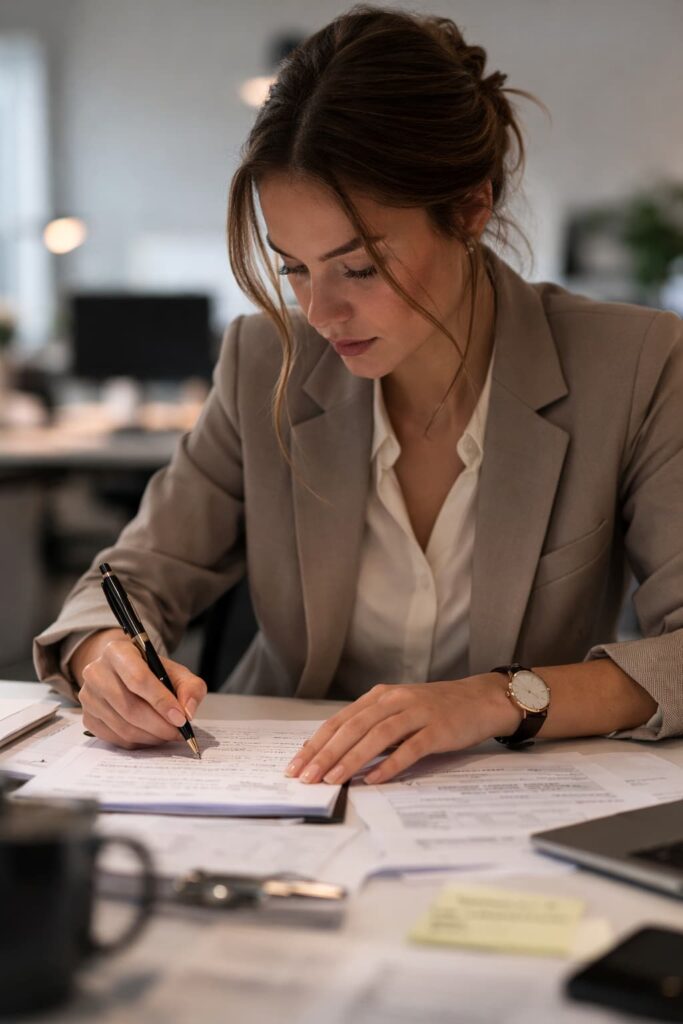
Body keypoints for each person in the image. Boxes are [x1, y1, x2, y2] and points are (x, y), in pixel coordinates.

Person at [34, 5, 683, 785]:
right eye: (294, 269)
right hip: (278, 790)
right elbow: (127, 581)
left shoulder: (635, 363)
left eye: (361, 267)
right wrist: (106, 657)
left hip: (503, 792)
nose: (319, 313)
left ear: (470, 209)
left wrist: (493, 699)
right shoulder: (262, 360)